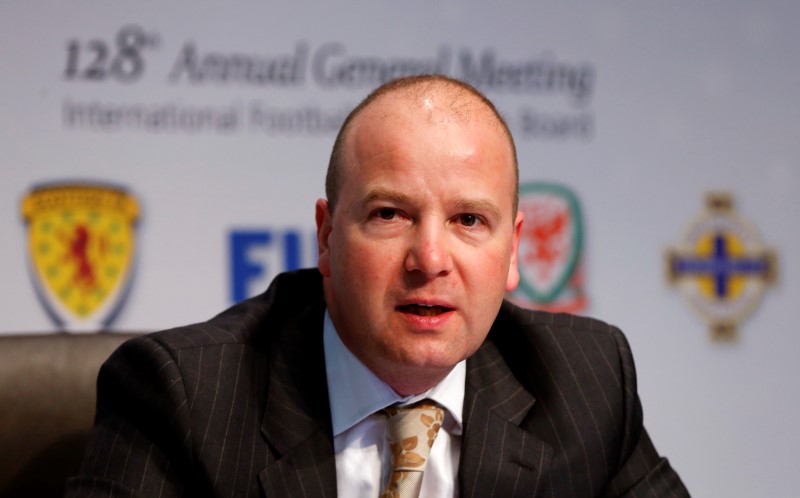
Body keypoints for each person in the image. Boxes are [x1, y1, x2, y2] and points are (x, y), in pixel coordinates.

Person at [66, 75, 689, 497]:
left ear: (513, 252)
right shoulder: (185, 397)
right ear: (326, 235)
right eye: (390, 215)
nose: (430, 258)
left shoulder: (584, 381)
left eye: (469, 220)